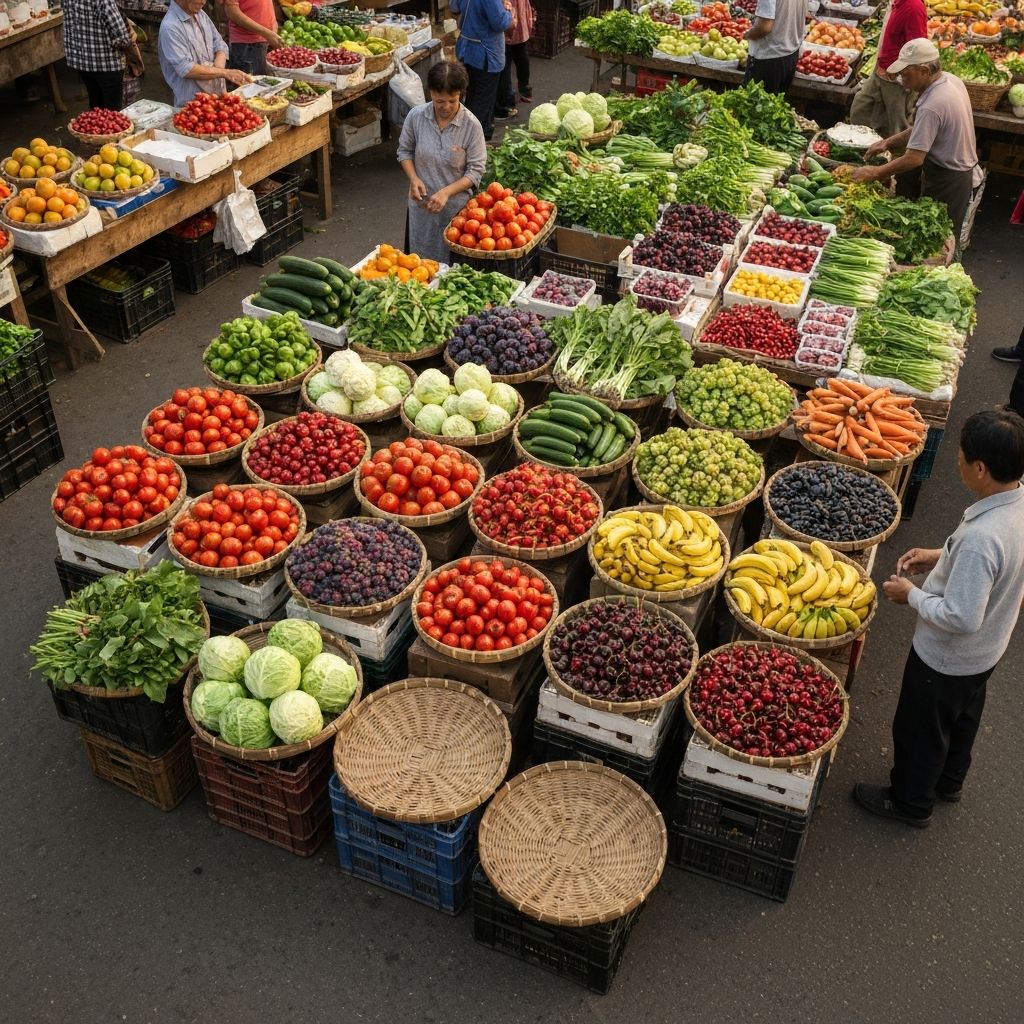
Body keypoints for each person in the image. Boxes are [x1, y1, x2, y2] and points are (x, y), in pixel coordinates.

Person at [853, 409, 1024, 828]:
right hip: (986, 652)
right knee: (962, 716)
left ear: (980, 469)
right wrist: (940, 554)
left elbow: (963, 617)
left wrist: (910, 595)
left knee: (920, 729)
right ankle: (949, 782)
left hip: (946, 658)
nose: (957, 462)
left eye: (962, 457)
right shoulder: (1016, 504)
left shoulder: (982, 540)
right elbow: (994, 569)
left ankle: (910, 803)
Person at [851, 39, 978, 248]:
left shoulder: (933, 103)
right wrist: (888, 142)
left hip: (948, 178)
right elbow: (923, 128)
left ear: (924, 70)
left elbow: (914, 158)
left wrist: (875, 173)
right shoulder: (950, 81)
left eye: (905, 73)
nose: (901, 78)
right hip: (955, 169)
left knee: (940, 240)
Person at [397, 61, 487, 264]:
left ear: (461, 95)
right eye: (439, 101)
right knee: (418, 264)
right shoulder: (416, 117)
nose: (445, 107)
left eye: (452, 101)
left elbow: (475, 172)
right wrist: (413, 178)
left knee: (450, 269)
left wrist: (446, 192)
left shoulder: (471, 126)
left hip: (455, 213)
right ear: (430, 93)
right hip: (421, 207)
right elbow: (405, 151)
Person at [849, 0, 928, 138]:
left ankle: (895, 156)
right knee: (861, 108)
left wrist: (900, 73)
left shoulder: (913, 7)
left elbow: (918, 49)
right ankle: (861, 147)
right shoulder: (895, 3)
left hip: (897, 79)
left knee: (896, 127)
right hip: (881, 69)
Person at [158, 0, 251, 108]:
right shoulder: (170, 27)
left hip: (219, 97)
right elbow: (186, 69)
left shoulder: (201, 14)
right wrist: (224, 73)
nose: (203, 2)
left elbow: (219, 43)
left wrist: (219, 68)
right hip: (194, 105)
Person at [450, 0, 514, 141]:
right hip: (485, 53)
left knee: (472, 95)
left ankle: (467, 135)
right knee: (482, 98)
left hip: (467, 49)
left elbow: (453, 7)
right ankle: (478, 139)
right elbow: (500, 23)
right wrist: (509, 12)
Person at [62, 0, 137, 110]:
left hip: (82, 63)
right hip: (107, 65)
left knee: (96, 107)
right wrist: (132, 38)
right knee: (113, 113)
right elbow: (122, 38)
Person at [743, 0, 804, 94]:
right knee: (775, 104)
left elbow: (765, 27)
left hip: (768, 57)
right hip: (790, 54)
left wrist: (747, 35)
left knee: (754, 104)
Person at [219, 0, 284, 76]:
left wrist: (272, 26)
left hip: (266, 40)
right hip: (247, 46)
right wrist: (266, 33)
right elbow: (232, 12)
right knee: (252, 85)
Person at [495, 0, 534, 120]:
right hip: (520, 23)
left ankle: (507, 101)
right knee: (521, 56)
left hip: (509, 24)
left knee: (505, 64)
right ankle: (525, 90)